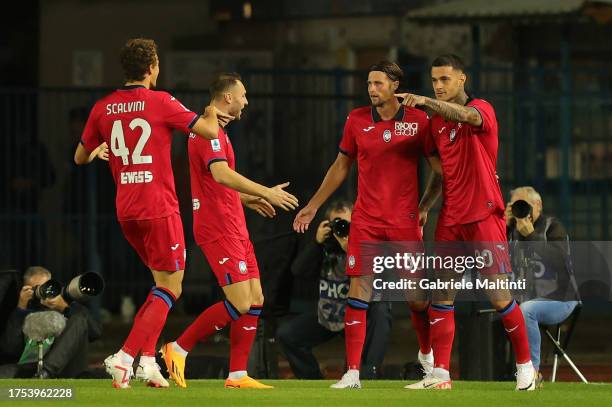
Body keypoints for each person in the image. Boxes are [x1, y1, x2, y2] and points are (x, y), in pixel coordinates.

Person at [74, 38, 232, 389]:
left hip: (127, 210)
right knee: (171, 288)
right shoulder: (160, 102)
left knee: (159, 285)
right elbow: (208, 131)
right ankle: (125, 356)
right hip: (159, 208)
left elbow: (79, 157)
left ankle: (147, 361)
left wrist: (102, 147)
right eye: (157, 64)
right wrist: (209, 112)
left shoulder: (103, 107)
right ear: (151, 67)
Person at [293, 61, 439, 389]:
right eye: (369, 84)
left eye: (378, 83)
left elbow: (438, 169)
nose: (372, 89)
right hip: (367, 220)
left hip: (403, 223)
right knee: (359, 289)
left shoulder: (418, 120)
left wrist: (426, 205)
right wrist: (313, 206)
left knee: (415, 298)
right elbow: (340, 166)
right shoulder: (357, 120)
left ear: (395, 85)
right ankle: (353, 372)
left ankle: (427, 356)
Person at [398, 54, 536, 390]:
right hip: (451, 217)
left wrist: (428, 102)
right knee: (442, 293)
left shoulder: (481, 109)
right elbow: (440, 173)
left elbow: (467, 116)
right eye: (434, 80)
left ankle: (526, 368)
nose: (439, 86)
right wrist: (425, 205)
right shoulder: (435, 124)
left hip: (484, 215)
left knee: (497, 294)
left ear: (462, 79)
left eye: (445, 79)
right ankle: (441, 374)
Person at [160, 72, 298, 389]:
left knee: (256, 298)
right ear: (228, 98)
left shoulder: (217, 132)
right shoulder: (208, 133)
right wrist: (265, 192)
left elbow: (217, 184)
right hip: (217, 227)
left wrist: (248, 199)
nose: (246, 102)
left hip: (234, 223)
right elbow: (220, 174)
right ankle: (177, 348)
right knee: (239, 302)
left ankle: (237, 375)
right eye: (243, 95)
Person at [278, 200, 392, 379]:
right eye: (338, 224)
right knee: (287, 334)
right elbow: (298, 271)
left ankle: (367, 375)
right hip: (329, 314)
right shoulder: (324, 245)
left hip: (361, 315)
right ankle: (312, 381)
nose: (343, 229)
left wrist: (351, 248)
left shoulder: (367, 244)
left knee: (381, 310)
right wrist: (316, 244)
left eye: (348, 224)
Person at [506, 186, 579, 387]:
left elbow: (560, 265)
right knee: (504, 309)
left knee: (527, 310)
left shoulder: (552, 227)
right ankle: (513, 371)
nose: (520, 211)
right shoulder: (511, 230)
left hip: (561, 298)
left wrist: (532, 238)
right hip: (527, 296)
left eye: (524, 205)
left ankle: (533, 372)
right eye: (515, 206)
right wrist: (500, 227)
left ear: (537, 205)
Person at [0, 266, 101, 378]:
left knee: (78, 319)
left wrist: (65, 307)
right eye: (36, 289)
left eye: (46, 287)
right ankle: (42, 374)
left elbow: (95, 333)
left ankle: (46, 372)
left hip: (62, 368)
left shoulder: (66, 307)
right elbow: (9, 348)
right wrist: (20, 308)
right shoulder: (21, 311)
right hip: (31, 368)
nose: (43, 292)